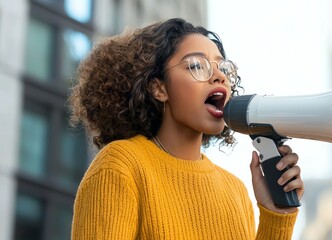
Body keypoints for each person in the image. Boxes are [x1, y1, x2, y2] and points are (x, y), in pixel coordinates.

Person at [69, 18, 304, 240]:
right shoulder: (120, 165)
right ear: (158, 88)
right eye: (196, 65)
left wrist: (277, 214)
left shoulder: (235, 190)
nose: (219, 76)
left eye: (223, 68)